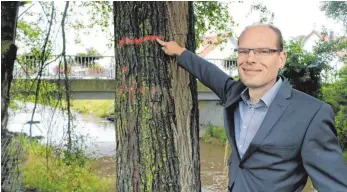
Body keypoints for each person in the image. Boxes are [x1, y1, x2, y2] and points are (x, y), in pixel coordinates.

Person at [156, 24, 347, 192]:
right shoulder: (234, 93)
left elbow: (335, 186)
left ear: (281, 58)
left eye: (263, 51)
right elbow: (208, 72)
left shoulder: (311, 114)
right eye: (244, 51)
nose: (250, 59)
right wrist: (180, 52)